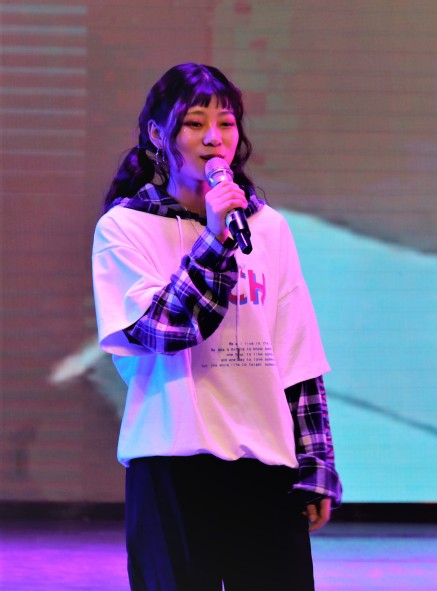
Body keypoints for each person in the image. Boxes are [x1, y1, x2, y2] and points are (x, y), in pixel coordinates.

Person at [91, 62, 341, 591]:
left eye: (226, 124)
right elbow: (164, 330)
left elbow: (296, 355)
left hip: (264, 464)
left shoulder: (267, 227)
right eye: (194, 123)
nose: (214, 138)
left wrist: (316, 462)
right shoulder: (125, 227)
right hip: (172, 461)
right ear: (157, 135)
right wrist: (214, 237)